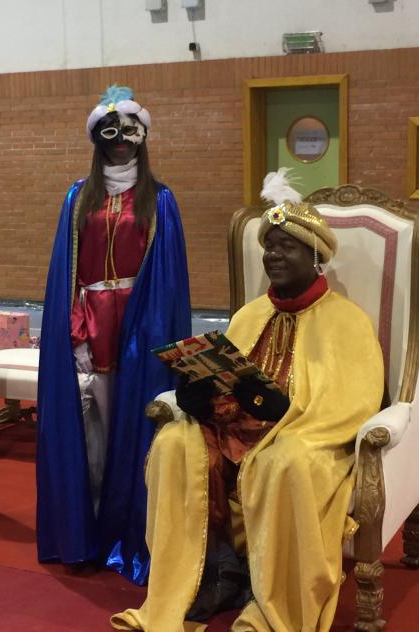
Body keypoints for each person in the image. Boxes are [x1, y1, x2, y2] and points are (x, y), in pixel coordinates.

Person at [111, 171, 384, 630]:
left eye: (286, 246)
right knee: (174, 443)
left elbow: (352, 404)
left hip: (305, 438)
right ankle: (197, 582)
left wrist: (281, 418)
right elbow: (226, 380)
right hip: (234, 430)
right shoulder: (250, 315)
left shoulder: (348, 321)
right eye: (269, 246)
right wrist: (200, 395)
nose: (273, 255)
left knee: (285, 461)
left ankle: (275, 604)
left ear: (315, 255)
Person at [36, 85, 191, 585]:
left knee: (138, 432)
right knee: (91, 435)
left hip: (142, 325)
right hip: (91, 325)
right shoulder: (77, 197)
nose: (120, 140)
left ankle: (134, 534)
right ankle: (88, 533)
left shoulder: (160, 200)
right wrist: (74, 330)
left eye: (129, 131)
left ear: (142, 136)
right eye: (110, 131)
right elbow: (66, 273)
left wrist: (154, 336)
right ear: (96, 138)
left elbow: (168, 279)